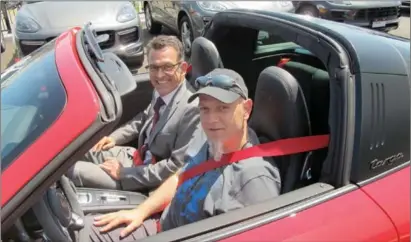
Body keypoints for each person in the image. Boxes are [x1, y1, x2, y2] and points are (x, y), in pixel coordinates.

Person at [84, 68, 282, 241]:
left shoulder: (254, 179)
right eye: (205, 109)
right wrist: (140, 212)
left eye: (223, 108)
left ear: (246, 109)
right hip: (160, 224)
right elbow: (181, 176)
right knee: (79, 229)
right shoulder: (216, 141)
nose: (212, 119)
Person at [67, 35, 200, 192]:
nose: (159, 75)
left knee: (74, 171)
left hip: (145, 179)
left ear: (183, 69)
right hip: (136, 158)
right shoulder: (163, 91)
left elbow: (176, 167)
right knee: (76, 151)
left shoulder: (192, 109)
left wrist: (124, 173)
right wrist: (113, 138)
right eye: (154, 67)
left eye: (167, 67)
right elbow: (142, 119)